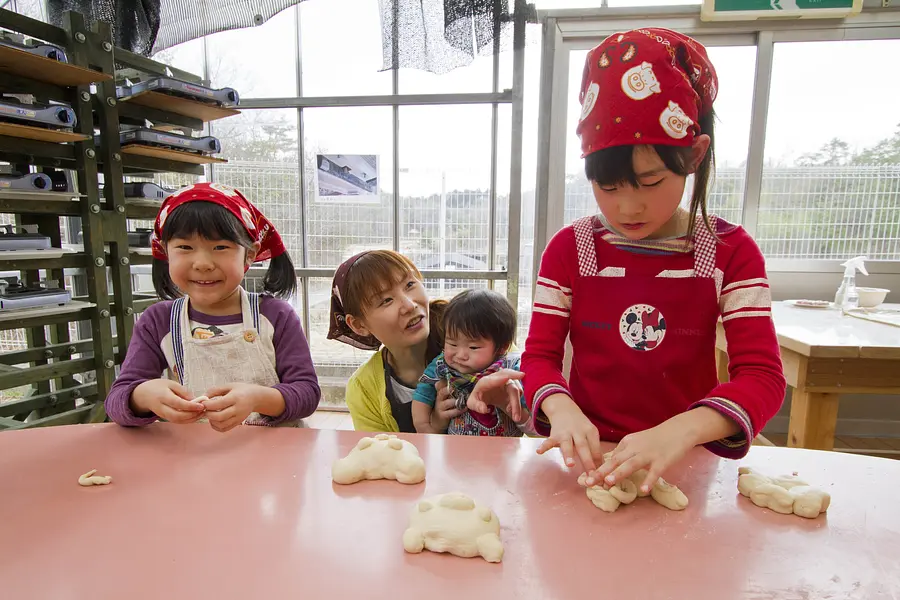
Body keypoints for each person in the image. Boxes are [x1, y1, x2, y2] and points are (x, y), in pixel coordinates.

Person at [520, 28, 786, 493]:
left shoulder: (730, 252)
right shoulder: (570, 249)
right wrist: (560, 407)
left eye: (649, 181)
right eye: (608, 187)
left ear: (694, 155)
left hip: (683, 458)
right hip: (591, 461)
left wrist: (680, 431)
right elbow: (539, 357)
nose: (627, 208)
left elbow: (762, 377)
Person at [106, 183, 320, 431]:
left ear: (249, 254)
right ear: (166, 251)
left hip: (275, 454)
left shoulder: (275, 315)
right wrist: (142, 395)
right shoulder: (159, 321)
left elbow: (307, 393)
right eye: (185, 247)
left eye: (220, 247)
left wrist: (258, 398)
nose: (203, 263)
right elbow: (116, 401)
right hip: (193, 456)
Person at [327, 250, 522, 433]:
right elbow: (382, 458)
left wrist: (513, 401)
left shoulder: (474, 329)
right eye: (386, 300)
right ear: (359, 325)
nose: (409, 305)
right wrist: (434, 424)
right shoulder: (363, 389)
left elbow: (541, 430)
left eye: (410, 285)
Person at [412, 289, 528, 436]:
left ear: (502, 347)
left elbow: (530, 418)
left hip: (505, 453)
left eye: (473, 347)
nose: (460, 355)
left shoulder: (510, 369)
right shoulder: (441, 365)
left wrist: (514, 408)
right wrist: (424, 427)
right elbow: (423, 394)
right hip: (456, 451)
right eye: (452, 344)